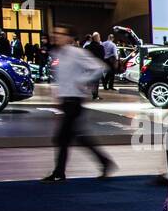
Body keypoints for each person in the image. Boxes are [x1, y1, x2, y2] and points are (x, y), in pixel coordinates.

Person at [41, 25, 115, 183]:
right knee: (77, 138)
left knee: (62, 138)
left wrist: (81, 82)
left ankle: (59, 173)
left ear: (69, 38)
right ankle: (104, 162)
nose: (56, 36)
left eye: (61, 33)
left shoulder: (76, 53)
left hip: (74, 101)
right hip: (66, 101)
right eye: (55, 33)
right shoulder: (57, 54)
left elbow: (100, 67)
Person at [84, 32, 106, 100]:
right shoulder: (101, 47)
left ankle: (92, 93)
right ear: (96, 38)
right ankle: (95, 95)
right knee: (96, 82)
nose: (100, 39)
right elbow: (102, 57)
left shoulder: (86, 47)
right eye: (99, 37)